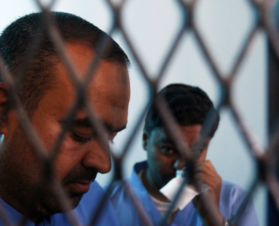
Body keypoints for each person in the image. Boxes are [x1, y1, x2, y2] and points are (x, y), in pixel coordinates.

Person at [0, 12, 130, 226]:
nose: (104, 164)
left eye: (110, 137)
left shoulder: (91, 201)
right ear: (3, 110)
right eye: (80, 135)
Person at [107, 84, 258, 226]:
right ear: (146, 140)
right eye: (168, 149)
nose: (181, 165)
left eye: (197, 151)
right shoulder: (105, 201)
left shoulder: (234, 200)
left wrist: (214, 221)